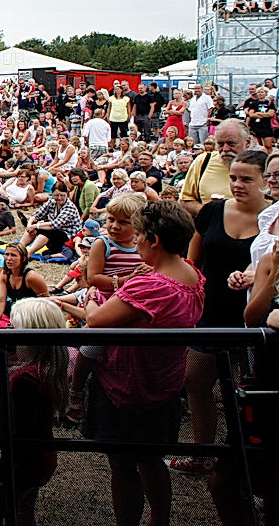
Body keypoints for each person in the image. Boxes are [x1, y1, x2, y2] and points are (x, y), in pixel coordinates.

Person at [82, 200, 204, 526]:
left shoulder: (151, 287)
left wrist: (94, 297)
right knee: (152, 461)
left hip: (127, 388)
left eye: (139, 236)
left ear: (155, 241)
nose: (134, 242)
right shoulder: (192, 274)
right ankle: (160, 520)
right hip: (164, 385)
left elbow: (95, 321)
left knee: (122, 465)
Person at [172, 149, 269, 475]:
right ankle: (203, 452)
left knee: (251, 391)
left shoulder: (274, 220)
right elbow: (191, 261)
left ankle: (247, 460)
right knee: (195, 380)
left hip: (253, 317)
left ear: (265, 182)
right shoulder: (213, 211)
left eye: (246, 179)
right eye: (233, 178)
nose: (237, 184)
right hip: (210, 311)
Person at [0, 298, 69, 525]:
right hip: (38, 459)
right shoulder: (46, 370)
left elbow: (19, 438)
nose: (9, 330)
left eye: (14, 327)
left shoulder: (25, 379)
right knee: (22, 511)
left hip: (24, 465)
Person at [180, 119, 250, 215]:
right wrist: (210, 212)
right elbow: (185, 201)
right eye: (220, 144)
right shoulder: (203, 161)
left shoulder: (261, 166)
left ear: (247, 143)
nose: (225, 149)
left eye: (231, 143)